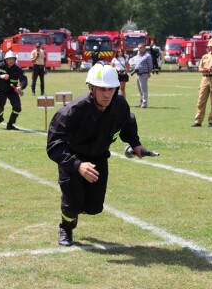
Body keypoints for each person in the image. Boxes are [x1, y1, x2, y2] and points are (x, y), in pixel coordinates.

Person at [47, 63, 147, 246]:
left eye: (111, 89)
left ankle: (77, 210)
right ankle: (66, 228)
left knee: (94, 208)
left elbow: (127, 122)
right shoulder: (71, 112)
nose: (107, 94)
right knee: (73, 204)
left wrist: (135, 143)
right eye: (102, 89)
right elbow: (54, 145)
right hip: (72, 159)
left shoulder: (120, 105)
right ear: (91, 88)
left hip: (99, 158)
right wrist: (78, 165)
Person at [0, 50, 28, 130]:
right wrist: (0, 76)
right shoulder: (0, 66)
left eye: (13, 59)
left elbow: (24, 79)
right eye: (9, 59)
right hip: (0, 90)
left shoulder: (17, 68)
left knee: (17, 108)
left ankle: (10, 124)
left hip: (12, 91)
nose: (11, 61)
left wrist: (20, 87)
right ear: (6, 60)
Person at [133, 43, 153, 108]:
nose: (139, 49)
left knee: (144, 89)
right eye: (138, 47)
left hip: (144, 74)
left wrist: (149, 73)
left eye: (141, 47)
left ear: (144, 48)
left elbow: (150, 66)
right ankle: (141, 102)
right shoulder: (138, 55)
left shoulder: (147, 56)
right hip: (138, 74)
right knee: (140, 89)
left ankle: (144, 104)